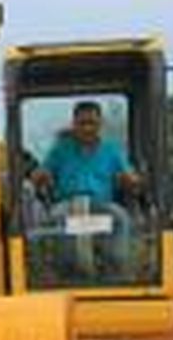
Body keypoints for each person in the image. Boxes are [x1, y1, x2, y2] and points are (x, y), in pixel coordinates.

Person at [30, 101, 143, 276]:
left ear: (100, 125)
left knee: (120, 217)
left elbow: (131, 178)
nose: (87, 128)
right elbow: (40, 173)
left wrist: (130, 180)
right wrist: (40, 175)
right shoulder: (61, 149)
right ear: (74, 124)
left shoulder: (112, 150)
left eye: (92, 123)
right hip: (67, 205)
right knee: (53, 218)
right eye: (82, 123)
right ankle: (59, 271)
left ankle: (117, 270)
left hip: (101, 205)